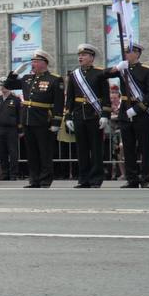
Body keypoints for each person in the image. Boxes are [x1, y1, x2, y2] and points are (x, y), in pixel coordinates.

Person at [4, 49, 63, 188]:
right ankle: (34, 179)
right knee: (32, 152)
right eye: (32, 61)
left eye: (36, 61)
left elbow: (59, 103)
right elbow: (8, 85)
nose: (33, 64)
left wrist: (56, 121)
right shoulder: (27, 78)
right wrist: (14, 73)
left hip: (43, 119)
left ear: (44, 63)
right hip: (28, 119)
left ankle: (45, 179)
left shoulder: (54, 79)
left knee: (44, 151)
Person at [105, 42, 149, 188]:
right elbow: (103, 74)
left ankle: (145, 177)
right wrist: (116, 68)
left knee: (144, 147)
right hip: (124, 112)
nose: (126, 54)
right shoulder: (123, 69)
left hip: (140, 112)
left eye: (129, 52)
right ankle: (132, 178)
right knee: (128, 147)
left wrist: (137, 109)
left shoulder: (146, 70)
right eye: (126, 52)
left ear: (137, 54)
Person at [64, 43, 109, 188]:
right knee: (81, 149)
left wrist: (105, 114)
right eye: (79, 55)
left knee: (96, 149)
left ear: (91, 57)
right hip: (78, 114)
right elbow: (70, 98)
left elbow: (106, 96)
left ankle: (96, 179)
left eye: (83, 55)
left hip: (94, 114)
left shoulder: (100, 73)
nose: (80, 57)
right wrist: (68, 116)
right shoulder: (74, 75)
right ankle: (83, 179)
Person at [0, 82, 22, 180]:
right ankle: (4, 173)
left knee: (13, 152)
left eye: (6, 85)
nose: (3, 87)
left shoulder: (16, 99)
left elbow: (20, 115)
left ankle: (14, 174)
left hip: (11, 129)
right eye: (2, 85)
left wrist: (20, 129)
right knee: (2, 152)